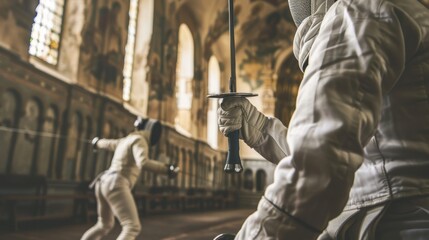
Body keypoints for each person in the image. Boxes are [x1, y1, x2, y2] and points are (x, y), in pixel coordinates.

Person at [215, 0, 429, 239]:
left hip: (393, 223)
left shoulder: (362, 11)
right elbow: (350, 147)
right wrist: (257, 126)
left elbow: (318, 159)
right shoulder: (407, 12)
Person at [81, 117, 179, 240]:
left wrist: (97, 142)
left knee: (104, 224)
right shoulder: (140, 140)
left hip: (103, 182)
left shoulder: (127, 140)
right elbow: (143, 162)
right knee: (132, 227)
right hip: (116, 182)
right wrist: (166, 169)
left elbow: (108, 143)